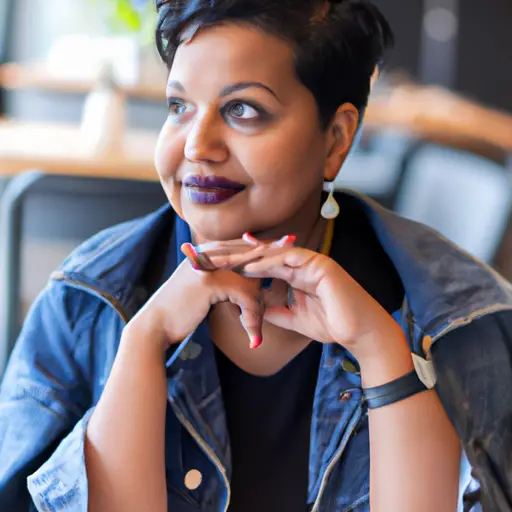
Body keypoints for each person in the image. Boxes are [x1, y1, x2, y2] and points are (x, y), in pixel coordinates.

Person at [1, 0, 512, 510]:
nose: (198, 145)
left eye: (242, 109)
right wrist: (144, 341)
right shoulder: (85, 301)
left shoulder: (459, 318)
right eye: (178, 106)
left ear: (335, 139)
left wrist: (382, 351)